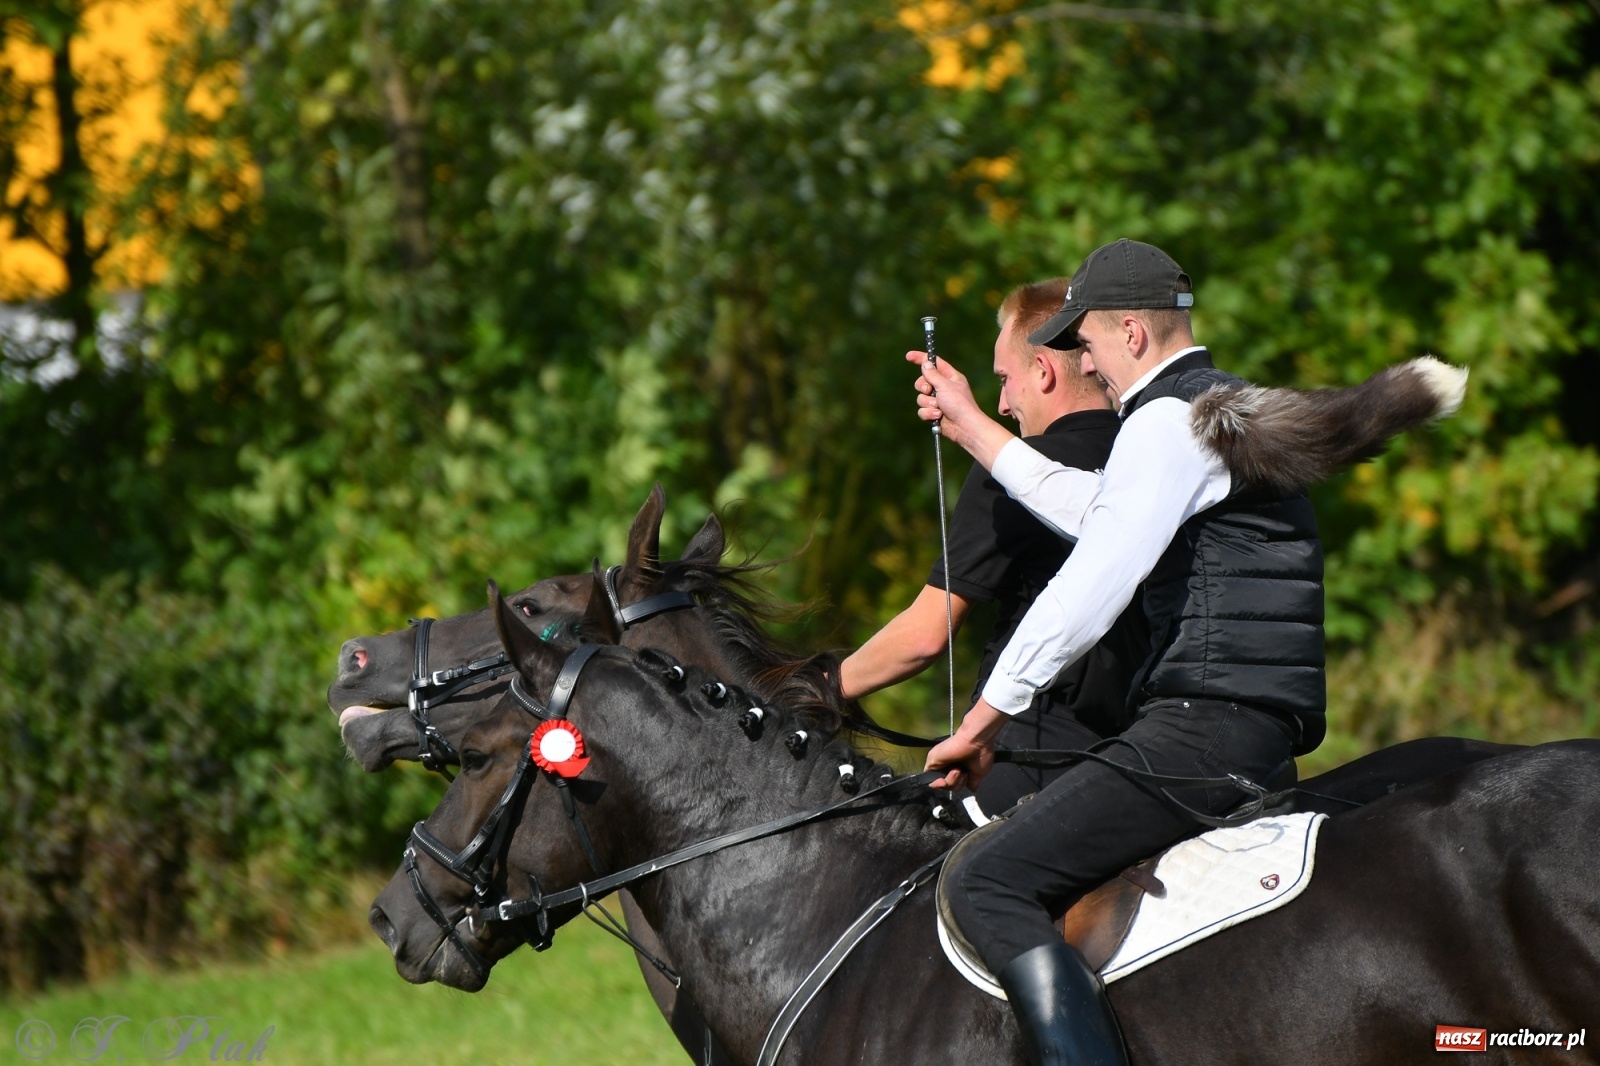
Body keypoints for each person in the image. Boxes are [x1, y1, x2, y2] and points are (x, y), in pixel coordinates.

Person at [912, 239, 1324, 1066]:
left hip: (1201, 734)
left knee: (982, 880)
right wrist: (972, 430)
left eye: (1089, 344)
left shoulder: (1165, 423)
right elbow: (1098, 513)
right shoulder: (1212, 408)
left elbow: (1088, 587)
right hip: (1252, 728)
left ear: (1132, 333)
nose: (1086, 365)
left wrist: (985, 720)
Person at [839, 278, 1147, 814]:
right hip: (1147, 760)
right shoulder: (1155, 459)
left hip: (1032, 764)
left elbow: (924, 637)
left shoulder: (1008, 477)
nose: (1002, 404)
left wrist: (818, 686)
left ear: (1045, 372)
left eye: (1004, 379)